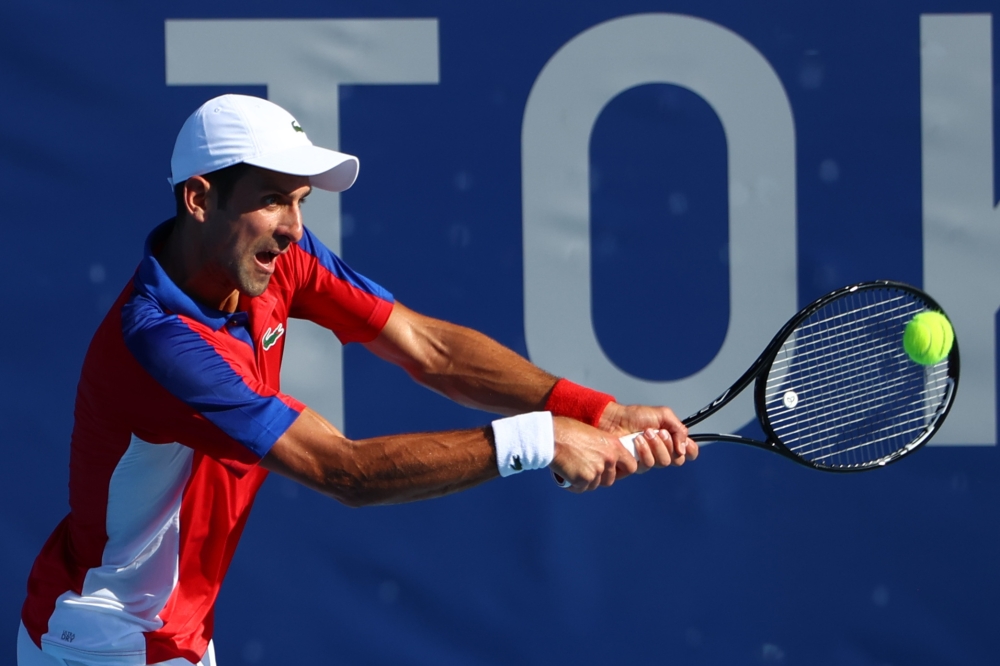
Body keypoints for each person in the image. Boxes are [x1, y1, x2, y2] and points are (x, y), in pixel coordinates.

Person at [18, 94, 697, 666]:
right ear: (199, 199)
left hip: (170, 631)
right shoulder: (161, 343)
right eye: (273, 200)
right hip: (106, 644)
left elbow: (429, 349)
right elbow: (344, 472)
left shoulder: (270, 259)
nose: (293, 227)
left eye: (300, 201)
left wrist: (594, 409)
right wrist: (539, 438)